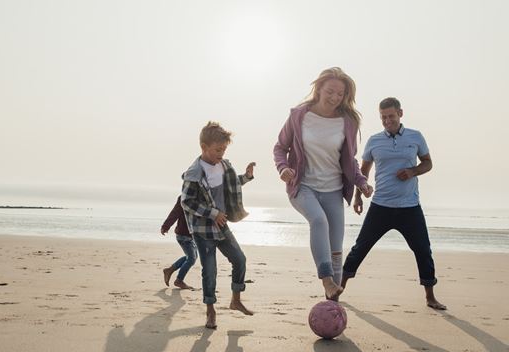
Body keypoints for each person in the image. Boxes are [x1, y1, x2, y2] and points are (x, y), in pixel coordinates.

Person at [274, 67, 373, 301]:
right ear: (318, 89)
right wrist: (283, 168)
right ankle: (327, 281)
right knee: (318, 221)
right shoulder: (299, 115)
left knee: (336, 250)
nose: (335, 98)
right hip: (303, 186)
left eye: (341, 94)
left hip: (334, 190)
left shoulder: (348, 121)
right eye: (330, 91)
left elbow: (350, 160)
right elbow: (280, 147)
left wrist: (361, 183)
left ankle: (333, 302)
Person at [342, 97, 446, 310]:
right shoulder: (374, 141)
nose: (387, 120)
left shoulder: (415, 137)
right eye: (383, 117)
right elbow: (364, 172)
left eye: (390, 116)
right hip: (381, 206)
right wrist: (358, 196)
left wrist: (412, 171)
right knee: (360, 248)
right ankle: (338, 288)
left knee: (423, 250)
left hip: (410, 208)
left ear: (400, 113)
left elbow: (428, 163)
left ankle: (430, 297)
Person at [181, 121, 256, 329]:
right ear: (204, 147)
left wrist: (247, 177)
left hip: (222, 226)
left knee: (240, 259)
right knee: (210, 270)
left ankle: (236, 300)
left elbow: (231, 185)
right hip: (203, 230)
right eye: (217, 150)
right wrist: (212, 213)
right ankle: (210, 311)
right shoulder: (195, 172)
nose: (221, 153)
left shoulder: (224, 165)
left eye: (223, 149)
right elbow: (186, 202)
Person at [160, 196, 197, 290]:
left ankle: (169, 270)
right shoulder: (184, 198)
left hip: (192, 235)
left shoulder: (201, 197)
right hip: (183, 235)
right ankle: (179, 280)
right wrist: (166, 226)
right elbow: (175, 213)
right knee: (191, 259)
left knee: (192, 257)